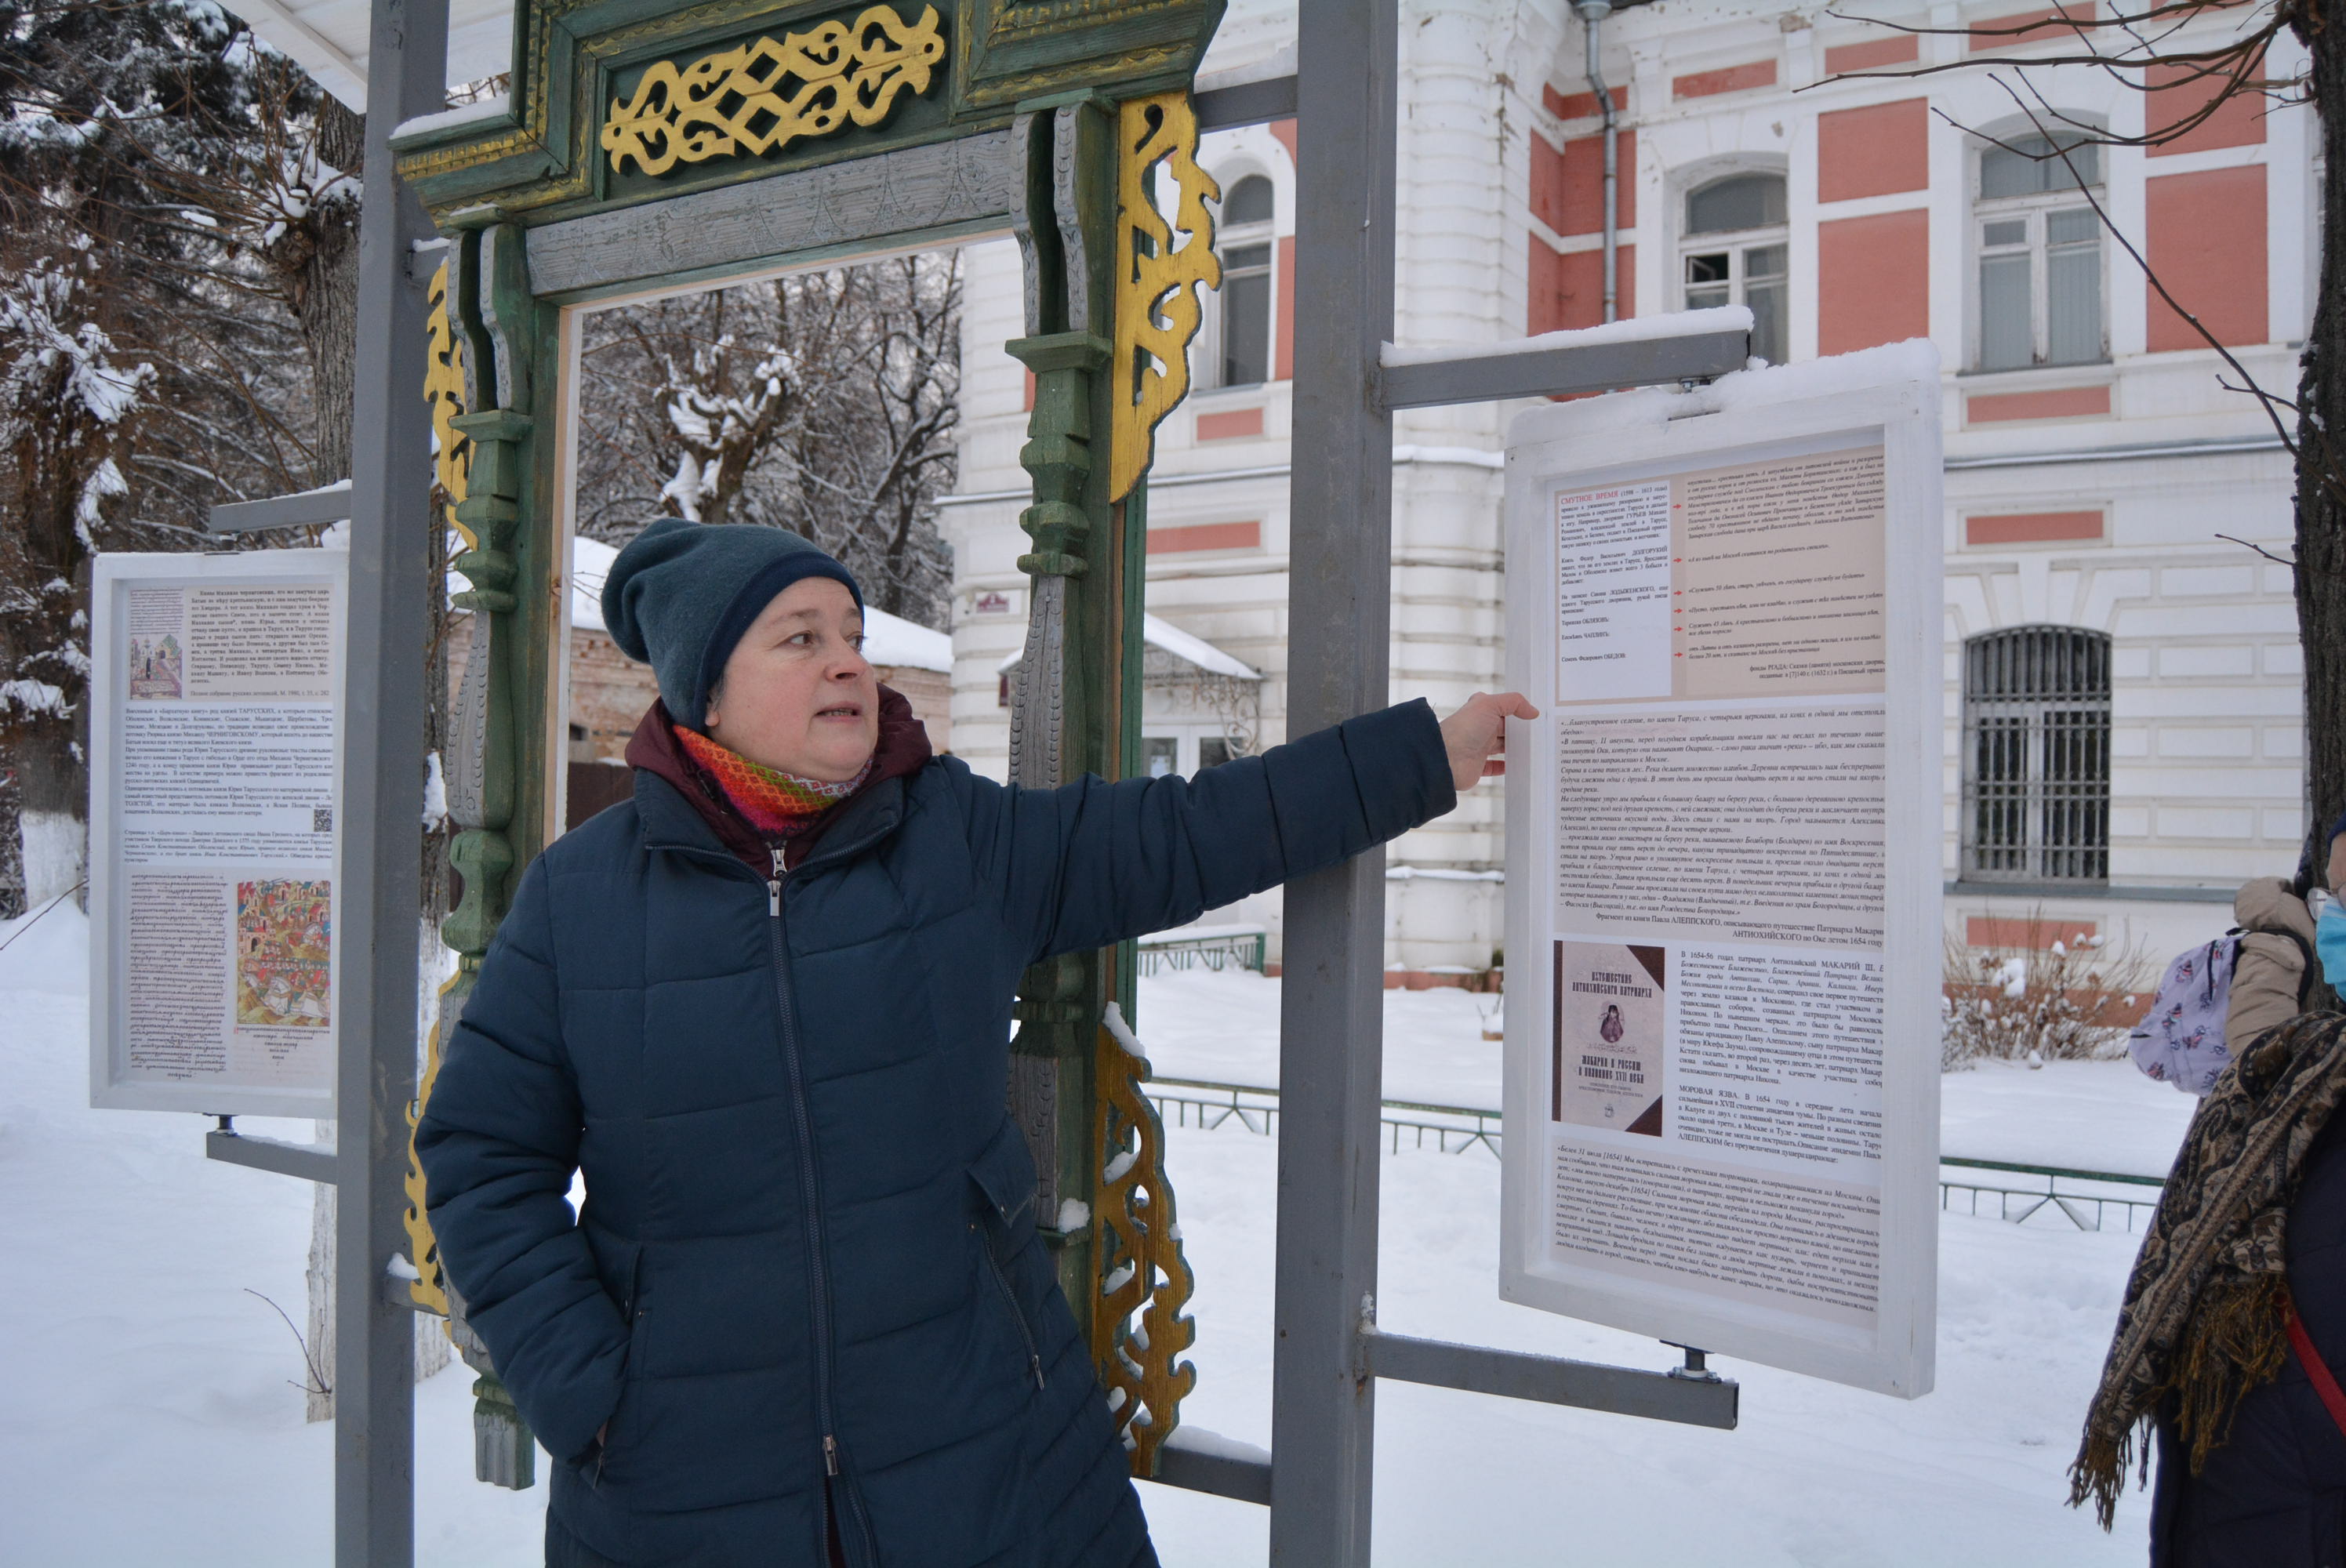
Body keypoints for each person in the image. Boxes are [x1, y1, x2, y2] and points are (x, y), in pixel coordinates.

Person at [416, 518, 1538, 1568]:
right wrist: (591, 1392)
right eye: (800, 640)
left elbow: (1188, 832)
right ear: (702, 687)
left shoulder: (954, 839)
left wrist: (1424, 757)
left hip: (991, 1460)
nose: (849, 663)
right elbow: (479, 1156)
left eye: (852, 636)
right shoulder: (585, 897)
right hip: (683, 1493)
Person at [2074, 818, 2346, 1564]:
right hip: (2237, 1504)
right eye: (2339, 895)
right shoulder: (2319, 1070)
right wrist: (2278, 947)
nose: (2340, 920)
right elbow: (2264, 1065)